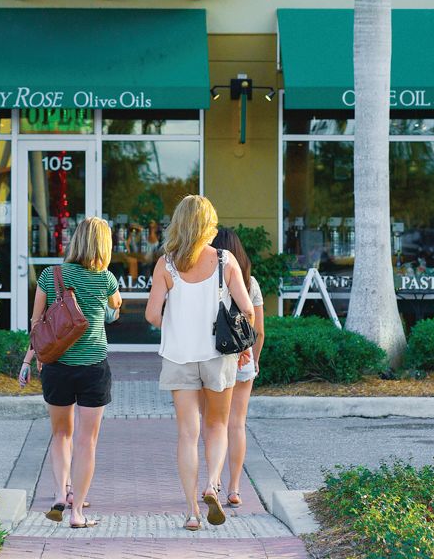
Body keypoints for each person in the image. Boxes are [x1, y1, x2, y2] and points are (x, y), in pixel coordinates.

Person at [146, 195, 254, 531]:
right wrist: (245, 346)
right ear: (209, 224)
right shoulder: (226, 260)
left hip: (178, 357)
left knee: (187, 435)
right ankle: (213, 484)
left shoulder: (166, 264)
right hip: (218, 356)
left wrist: (176, 324)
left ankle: (192, 512)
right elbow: (247, 309)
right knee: (218, 426)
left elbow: (151, 315)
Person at [22, 216, 121, 530]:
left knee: (61, 435)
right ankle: (77, 511)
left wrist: (33, 356)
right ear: (103, 246)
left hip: (56, 368)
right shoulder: (106, 279)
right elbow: (115, 309)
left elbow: (36, 325)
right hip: (93, 368)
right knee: (86, 442)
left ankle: (58, 494)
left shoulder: (50, 277)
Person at [211, 227, 264, 508]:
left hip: (215, 357)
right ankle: (234, 488)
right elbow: (260, 330)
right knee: (237, 424)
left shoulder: (209, 277)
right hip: (242, 357)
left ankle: (213, 482)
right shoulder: (250, 282)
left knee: (215, 423)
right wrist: (253, 358)